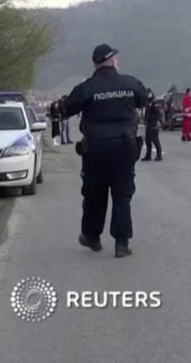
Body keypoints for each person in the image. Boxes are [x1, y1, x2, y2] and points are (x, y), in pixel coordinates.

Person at [59, 44, 148, 258]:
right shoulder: (130, 83)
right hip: (124, 148)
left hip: (96, 149)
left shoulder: (87, 88)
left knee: (94, 194)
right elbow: (144, 99)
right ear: (113, 60)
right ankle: (122, 243)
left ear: (94, 64)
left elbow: (65, 109)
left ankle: (91, 236)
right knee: (122, 194)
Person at [142, 91, 163, 162]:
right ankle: (148, 156)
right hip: (148, 123)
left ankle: (159, 155)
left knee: (155, 140)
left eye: (149, 93)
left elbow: (158, 113)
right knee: (147, 140)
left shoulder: (154, 102)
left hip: (154, 123)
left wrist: (158, 121)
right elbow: (146, 113)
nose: (148, 95)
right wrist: (145, 121)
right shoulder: (147, 103)